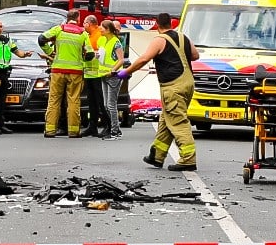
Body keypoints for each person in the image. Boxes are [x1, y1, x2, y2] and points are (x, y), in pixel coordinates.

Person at [117, 12, 200, 170]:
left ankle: (188, 159)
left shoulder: (160, 40)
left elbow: (143, 59)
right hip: (188, 83)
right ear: (171, 23)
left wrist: (126, 72)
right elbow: (195, 56)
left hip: (173, 86)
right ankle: (157, 155)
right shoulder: (183, 37)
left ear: (157, 25)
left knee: (178, 121)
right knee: (166, 119)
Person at [40, 9, 94, 138]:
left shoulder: (59, 29)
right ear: (78, 18)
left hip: (58, 70)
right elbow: (90, 54)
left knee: (54, 100)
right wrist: (82, 57)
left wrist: (50, 52)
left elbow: (41, 39)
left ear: (67, 17)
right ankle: (73, 131)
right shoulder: (83, 33)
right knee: (73, 100)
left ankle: (50, 130)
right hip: (75, 72)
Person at [0, 18, 32, 134]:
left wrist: (25, 54)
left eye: (0, 26)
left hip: (4, 72)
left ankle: (1, 124)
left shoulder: (7, 40)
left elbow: (17, 52)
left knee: (2, 100)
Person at [98, 20, 125, 141]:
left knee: (111, 105)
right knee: (106, 105)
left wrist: (112, 70)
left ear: (108, 29)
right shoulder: (103, 40)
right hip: (104, 75)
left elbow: (121, 60)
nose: (100, 29)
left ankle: (114, 132)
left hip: (113, 76)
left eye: (102, 27)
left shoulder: (116, 42)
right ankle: (116, 129)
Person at [81, 15, 106, 137]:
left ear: (90, 23)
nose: (83, 25)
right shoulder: (88, 35)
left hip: (98, 74)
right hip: (89, 74)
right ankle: (92, 126)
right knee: (91, 102)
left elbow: (100, 53)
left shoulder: (99, 35)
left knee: (101, 101)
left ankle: (107, 125)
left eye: (84, 23)